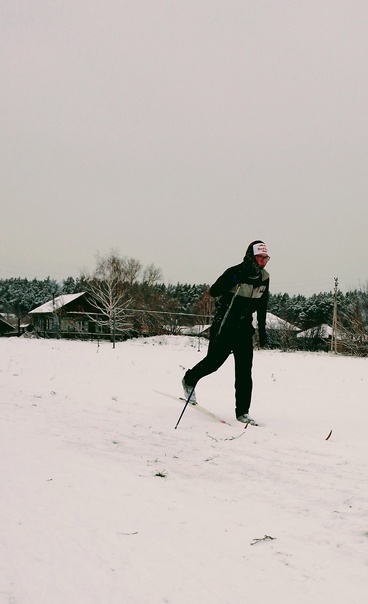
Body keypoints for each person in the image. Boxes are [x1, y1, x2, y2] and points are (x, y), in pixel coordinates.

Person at [182, 240, 270, 425]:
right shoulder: (235, 271)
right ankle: (189, 380)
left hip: (244, 329)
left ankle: (242, 412)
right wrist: (234, 280)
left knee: (245, 371)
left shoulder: (264, 278)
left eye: (265, 258)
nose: (263, 262)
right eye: (260, 258)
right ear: (251, 257)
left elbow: (262, 305)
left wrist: (262, 331)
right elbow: (214, 291)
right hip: (225, 325)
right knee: (213, 363)